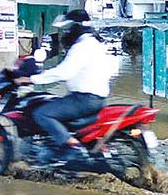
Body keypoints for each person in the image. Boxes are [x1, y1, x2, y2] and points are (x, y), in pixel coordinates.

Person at [27, 10, 114, 163]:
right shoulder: (96, 43)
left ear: (76, 27)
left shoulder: (82, 46)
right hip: (95, 97)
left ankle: (71, 147)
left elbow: (64, 72)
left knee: (41, 113)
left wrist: (33, 79)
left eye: (67, 29)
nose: (65, 33)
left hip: (84, 99)